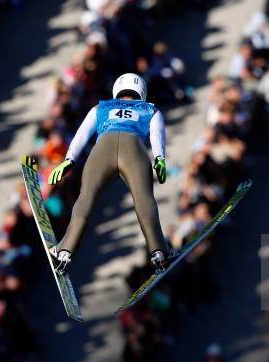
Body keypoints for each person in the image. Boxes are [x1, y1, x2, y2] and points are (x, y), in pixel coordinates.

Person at [47, 73, 175, 272]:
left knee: (86, 197)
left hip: (102, 149)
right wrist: (160, 158)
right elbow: (157, 134)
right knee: (144, 199)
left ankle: (65, 250)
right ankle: (159, 251)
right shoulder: (151, 109)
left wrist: (68, 161)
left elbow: (82, 134)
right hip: (134, 149)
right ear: (142, 92)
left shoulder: (101, 107)